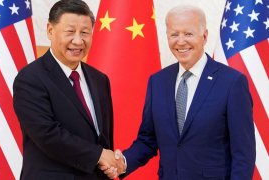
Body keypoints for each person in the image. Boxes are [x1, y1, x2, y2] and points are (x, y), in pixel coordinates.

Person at [103, 5, 256, 180]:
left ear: (204, 36)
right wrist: (123, 162)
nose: (181, 41)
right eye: (174, 34)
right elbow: (148, 140)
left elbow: (243, 155)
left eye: (188, 34)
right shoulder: (157, 81)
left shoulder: (232, 82)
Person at [13, 0, 124, 179]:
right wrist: (98, 155)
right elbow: (47, 135)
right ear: (50, 30)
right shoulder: (30, 78)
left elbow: (103, 139)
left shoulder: (99, 79)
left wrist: (109, 165)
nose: (78, 40)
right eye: (70, 32)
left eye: (85, 33)